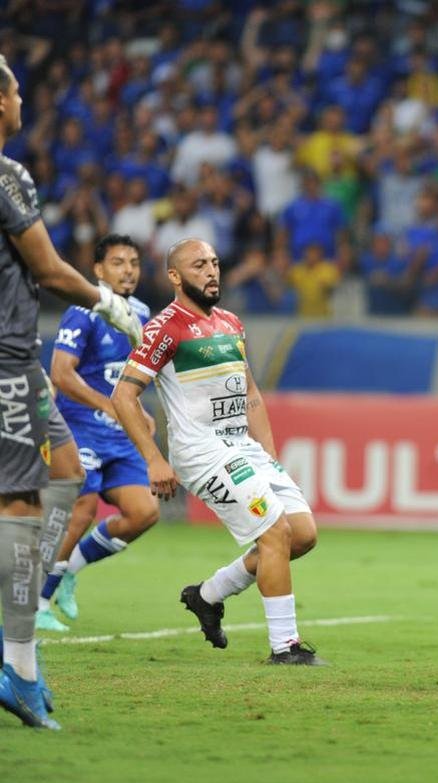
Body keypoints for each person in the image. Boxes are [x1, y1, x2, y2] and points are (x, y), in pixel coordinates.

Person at [0, 55, 143, 729]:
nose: (22, 99)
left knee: (67, 475)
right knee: (21, 503)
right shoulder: (4, 175)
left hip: (19, 358)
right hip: (7, 360)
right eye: (17, 90)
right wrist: (105, 304)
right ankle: (19, 668)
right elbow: (48, 267)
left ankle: (28, 638)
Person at [109, 237, 323, 666]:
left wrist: (270, 455)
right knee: (275, 534)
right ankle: (287, 647)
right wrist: (154, 458)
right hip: (202, 452)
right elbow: (123, 396)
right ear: (174, 276)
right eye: (198, 265)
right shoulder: (164, 327)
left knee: (302, 535)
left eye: (214, 263)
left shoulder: (230, 322)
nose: (211, 271)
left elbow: (251, 395)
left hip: (243, 448)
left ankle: (207, 595)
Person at [37, 234, 158, 631]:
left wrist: (137, 411)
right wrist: (107, 405)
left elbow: (130, 378)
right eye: (119, 262)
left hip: (120, 436)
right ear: (98, 270)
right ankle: (38, 603)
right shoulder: (83, 311)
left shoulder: (141, 313)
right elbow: (61, 374)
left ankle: (70, 569)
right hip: (79, 429)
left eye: (134, 262)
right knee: (82, 511)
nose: (128, 270)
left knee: (144, 513)